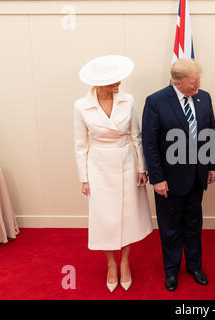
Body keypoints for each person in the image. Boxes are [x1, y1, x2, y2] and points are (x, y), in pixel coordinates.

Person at [74, 55, 153, 293]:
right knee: (105, 217)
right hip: (99, 166)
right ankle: (111, 264)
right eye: (113, 81)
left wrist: (142, 168)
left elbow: (136, 136)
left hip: (127, 160)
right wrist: (84, 178)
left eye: (119, 79)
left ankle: (125, 263)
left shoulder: (127, 100)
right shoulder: (81, 106)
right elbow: (80, 144)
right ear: (98, 82)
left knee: (128, 215)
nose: (118, 83)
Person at [142, 59, 215, 291]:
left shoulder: (203, 97)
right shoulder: (156, 101)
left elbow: (210, 131)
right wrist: (157, 178)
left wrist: (212, 164)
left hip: (197, 175)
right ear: (178, 82)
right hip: (169, 179)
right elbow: (150, 144)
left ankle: (195, 266)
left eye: (199, 80)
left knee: (194, 224)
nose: (198, 84)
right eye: (193, 81)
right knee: (170, 227)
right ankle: (172, 270)